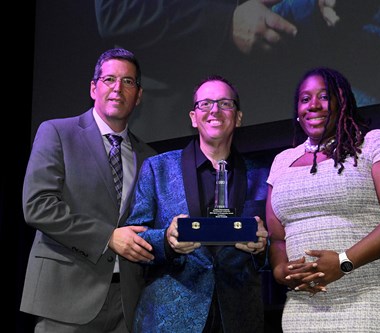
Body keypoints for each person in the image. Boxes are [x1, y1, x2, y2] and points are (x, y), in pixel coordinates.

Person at [266, 67, 380, 332]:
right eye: (305, 99)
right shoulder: (282, 161)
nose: (313, 105)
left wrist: (343, 261)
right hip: (304, 306)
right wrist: (282, 272)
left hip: (372, 295)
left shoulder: (374, 143)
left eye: (324, 96)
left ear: (343, 101)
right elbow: (278, 238)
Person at [21, 48, 157, 332]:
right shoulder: (57, 133)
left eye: (128, 82)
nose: (118, 88)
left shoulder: (149, 157)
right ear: (94, 88)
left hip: (128, 303)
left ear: (139, 96)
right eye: (109, 79)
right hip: (64, 298)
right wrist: (108, 237)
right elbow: (38, 205)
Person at [124, 75, 270, 332]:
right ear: (193, 117)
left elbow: (274, 247)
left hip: (239, 318)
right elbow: (136, 236)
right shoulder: (158, 168)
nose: (215, 110)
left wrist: (261, 248)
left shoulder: (261, 174)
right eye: (205, 104)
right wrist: (167, 241)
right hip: (171, 317)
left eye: (225, 103)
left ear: (238, 117)